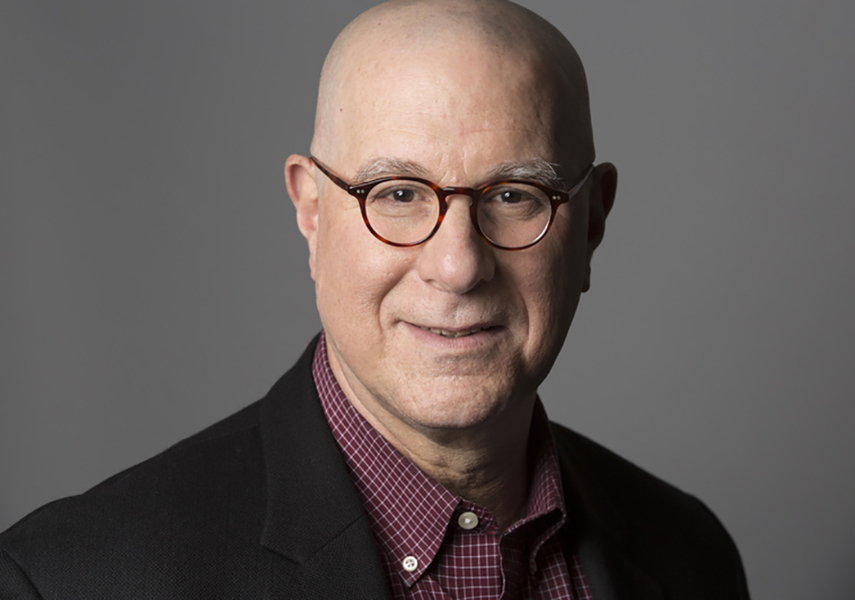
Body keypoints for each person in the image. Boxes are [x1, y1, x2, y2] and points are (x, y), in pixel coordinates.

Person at [0, 0, 750, 598]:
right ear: (312, 211)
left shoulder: (690, 554)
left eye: (514, 195)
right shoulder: (69, 580)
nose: (458, 267)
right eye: (397, 193)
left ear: (591, 224)